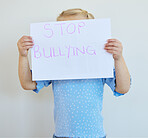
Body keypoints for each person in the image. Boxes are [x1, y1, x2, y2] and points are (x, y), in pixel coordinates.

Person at [17, 8, 131, 138]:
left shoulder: (99, 63)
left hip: (95, 135)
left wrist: (119, 58)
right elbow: (28, 84)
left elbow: (123, 88)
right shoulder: (54, 64)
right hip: (62, 135)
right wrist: (23, 56)